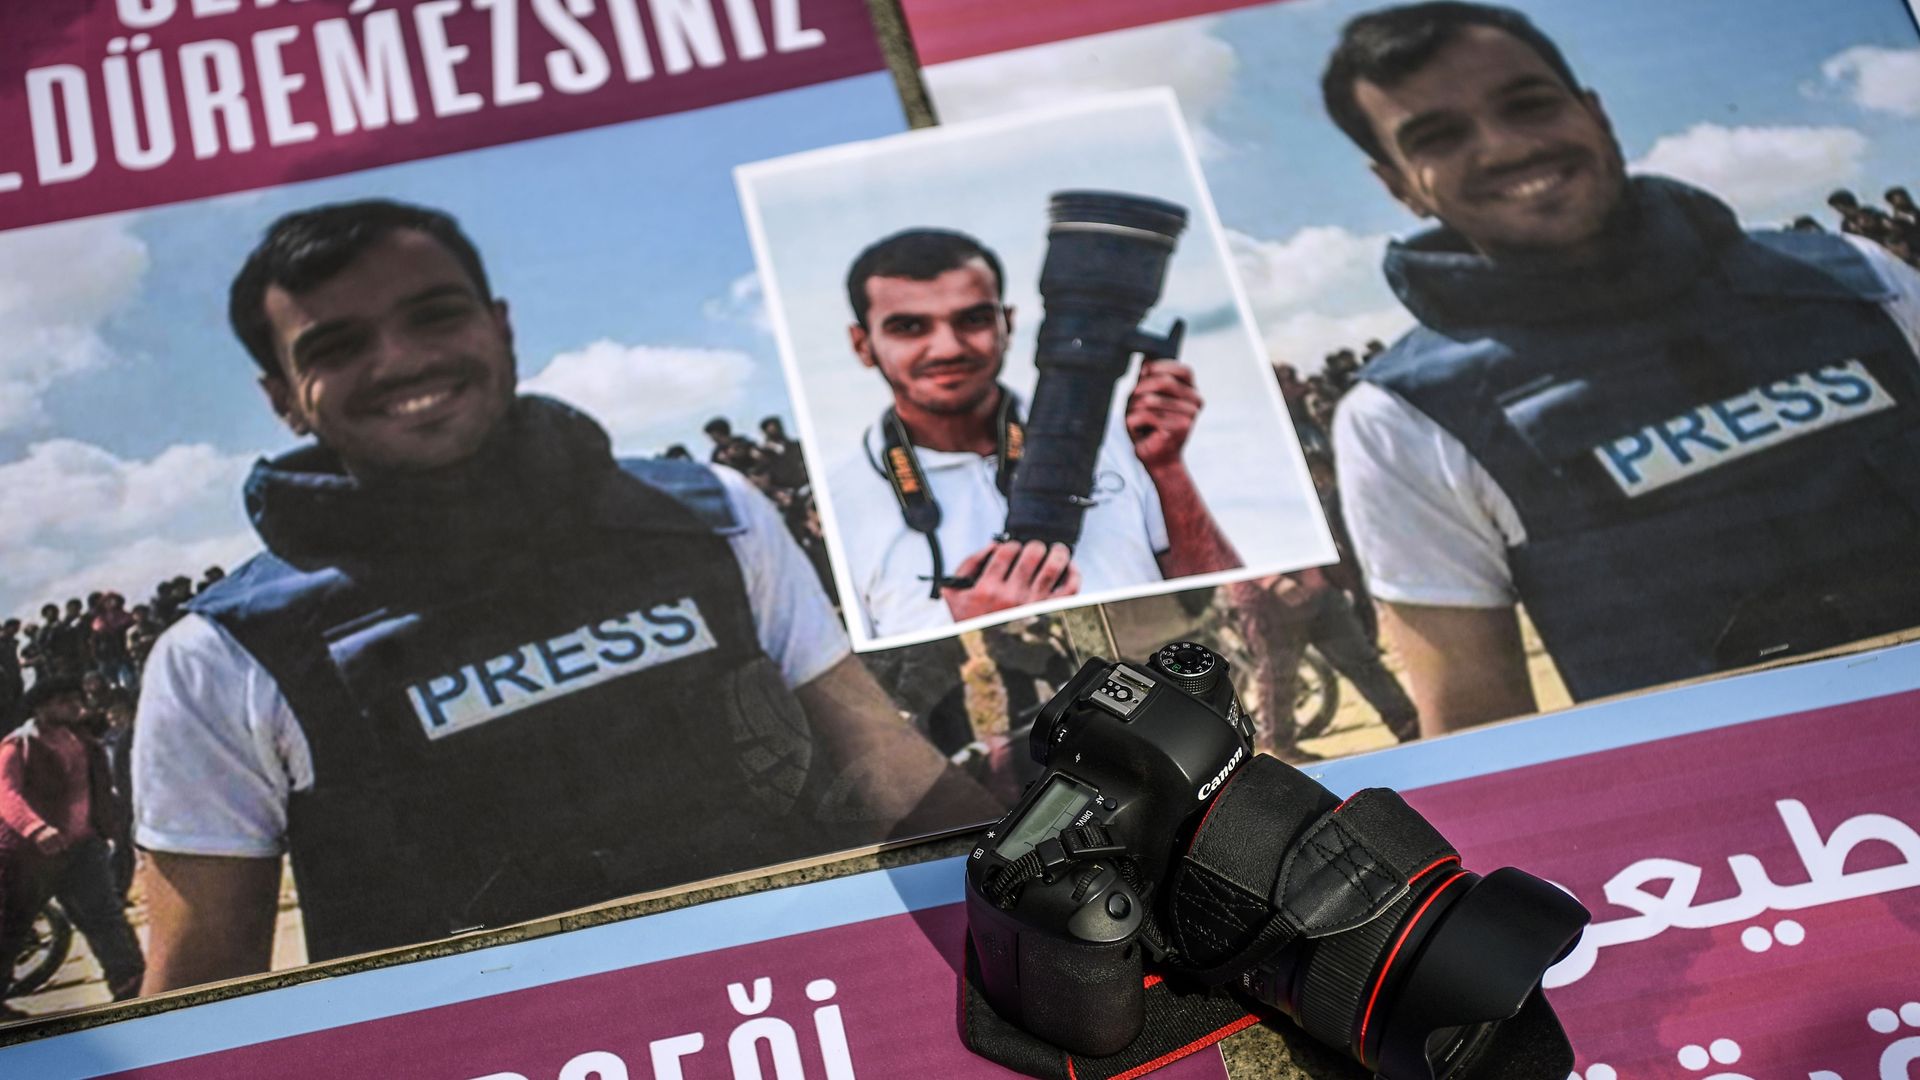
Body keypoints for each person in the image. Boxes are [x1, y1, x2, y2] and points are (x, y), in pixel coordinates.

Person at [133, 199, 998, 993]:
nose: (400, 359)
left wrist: (1063, 897)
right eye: (337, 345)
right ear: (283, 398)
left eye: (434, 315)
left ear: (501, 327)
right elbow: (198, 1003)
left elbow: (903, 789)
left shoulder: (714, 516)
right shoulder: (223, 657)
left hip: (799, 1018)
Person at [1321, 2, 1920, 734]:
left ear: (1595, 112)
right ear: (1400, 185)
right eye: (1439, 137)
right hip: (1764, 840)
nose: (1506, 147)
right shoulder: (1402, 420)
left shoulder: (1861, 279)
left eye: (1529, 104)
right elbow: (1477, 735)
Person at [832, 228, 1241, 638]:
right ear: (862, 344)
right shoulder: (839, 509)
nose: (947, 348)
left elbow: (1230, 603)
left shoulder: (1122, 436)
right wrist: (977, 631)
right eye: (908, 327)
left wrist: (1167, 467)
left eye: (973, 319)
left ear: (1007, 324)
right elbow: (865, 686)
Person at [0, 677, 145, 1014]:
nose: (72, 706)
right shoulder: (19, 745)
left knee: (105, 918)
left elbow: (101, 790)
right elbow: (7, 795)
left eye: (73, 699)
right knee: (12, 927)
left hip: (82, 849)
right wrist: (35, 829)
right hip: (28, 857)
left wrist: (111, 824)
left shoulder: (85, 742)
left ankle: (131, 987)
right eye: (62, 700)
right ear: (41, 707)